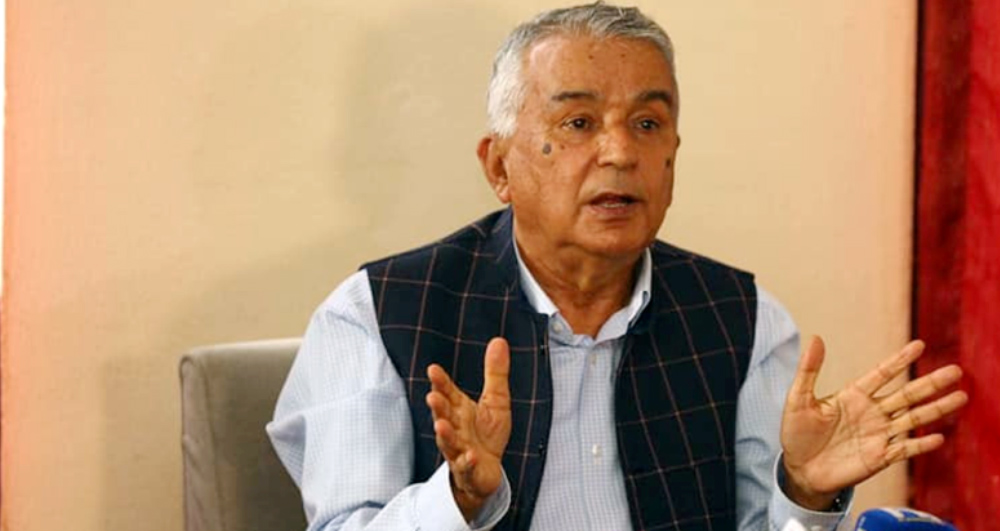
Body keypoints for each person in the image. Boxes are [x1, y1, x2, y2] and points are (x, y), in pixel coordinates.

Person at [266, 3, 967, 531]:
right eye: (578, 123)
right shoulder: (377, 313)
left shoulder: (743, 318)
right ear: (499, 166)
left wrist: (805, 491)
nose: (621, 153)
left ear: (672, 157)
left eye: (647, 123)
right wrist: (459, 500)